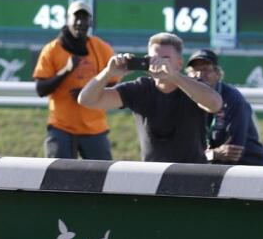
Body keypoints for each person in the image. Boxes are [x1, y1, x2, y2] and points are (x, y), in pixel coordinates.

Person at [77, 33, 223, 163]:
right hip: (152, 175)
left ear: (179, 63)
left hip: (192, 173)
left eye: (165, 59)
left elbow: (215, 104)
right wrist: (108, 73)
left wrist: (173, 76)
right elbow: (86, 100)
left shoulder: (192, 86)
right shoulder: (140, 88)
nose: (159, 63)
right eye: (154, 58)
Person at [32, 0, 116, 159]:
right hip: (61, 126)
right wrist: (66, 71)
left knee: (103, 178)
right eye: (76, 17)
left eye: (84, 18)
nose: (80, 22)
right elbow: (41, 89)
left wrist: (88, 92)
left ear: (90, 21)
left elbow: (113, 83)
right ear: (67, 19)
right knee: (58, 179)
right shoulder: (52, 50)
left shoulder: (101, 48)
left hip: (95, 128)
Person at [186, 49, 263, 167]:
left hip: (249, 168)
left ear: (217, 74)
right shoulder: (185, 99)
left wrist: (201, 154)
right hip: (211, 167)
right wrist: (213, 154)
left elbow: (233, 152)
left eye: (206, 69)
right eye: (195, 70)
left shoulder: (233, 99)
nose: (200, 75)